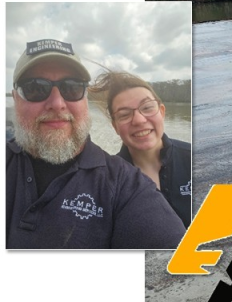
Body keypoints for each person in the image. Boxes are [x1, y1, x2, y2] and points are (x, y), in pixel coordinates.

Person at [7, 39, 186, 249]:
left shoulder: (125, 185)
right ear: (15, 99)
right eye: (35, 88)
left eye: (71, 88)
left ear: (85, 99)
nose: (57, 103)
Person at [89, 71, 192, 228]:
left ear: (162, 112)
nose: (138, 120)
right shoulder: (107, 181)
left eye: (147, 107)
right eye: (124, 115)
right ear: (115, 126)